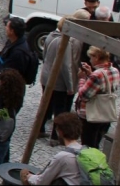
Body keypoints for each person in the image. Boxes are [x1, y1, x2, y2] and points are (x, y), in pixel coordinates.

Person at [38, 17, 76, 145]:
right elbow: (65, 66)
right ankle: (55, 136)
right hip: (58, 81)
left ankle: (40, 129)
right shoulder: (65, 42)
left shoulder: (50, 36)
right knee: (59, 109)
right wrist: (70, 86)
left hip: (45, 76)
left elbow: (44, 55)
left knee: (46, 104)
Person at [20, 112, 84, 185]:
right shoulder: (85, 150)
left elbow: (41, 182)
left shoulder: (63, 157)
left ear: (60, 132)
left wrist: (28, 176)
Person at [76, 46, 120, 149]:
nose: (90, 60)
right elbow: (102, 87)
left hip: (91, 116)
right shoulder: (115, 70)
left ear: (96, 57)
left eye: (91, 57)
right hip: (105, 113)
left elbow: (84, 95)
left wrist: (82, 79)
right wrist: (90, 74)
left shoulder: (97, 75)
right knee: (96, 142)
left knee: (88, 145)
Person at [0, 17, 35, 88]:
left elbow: (2, 69)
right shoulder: (13, 41)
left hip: (9, 87)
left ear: (12, 31)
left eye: (7, 26)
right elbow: (3, 59)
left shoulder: (18, 53)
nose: (5, 28)